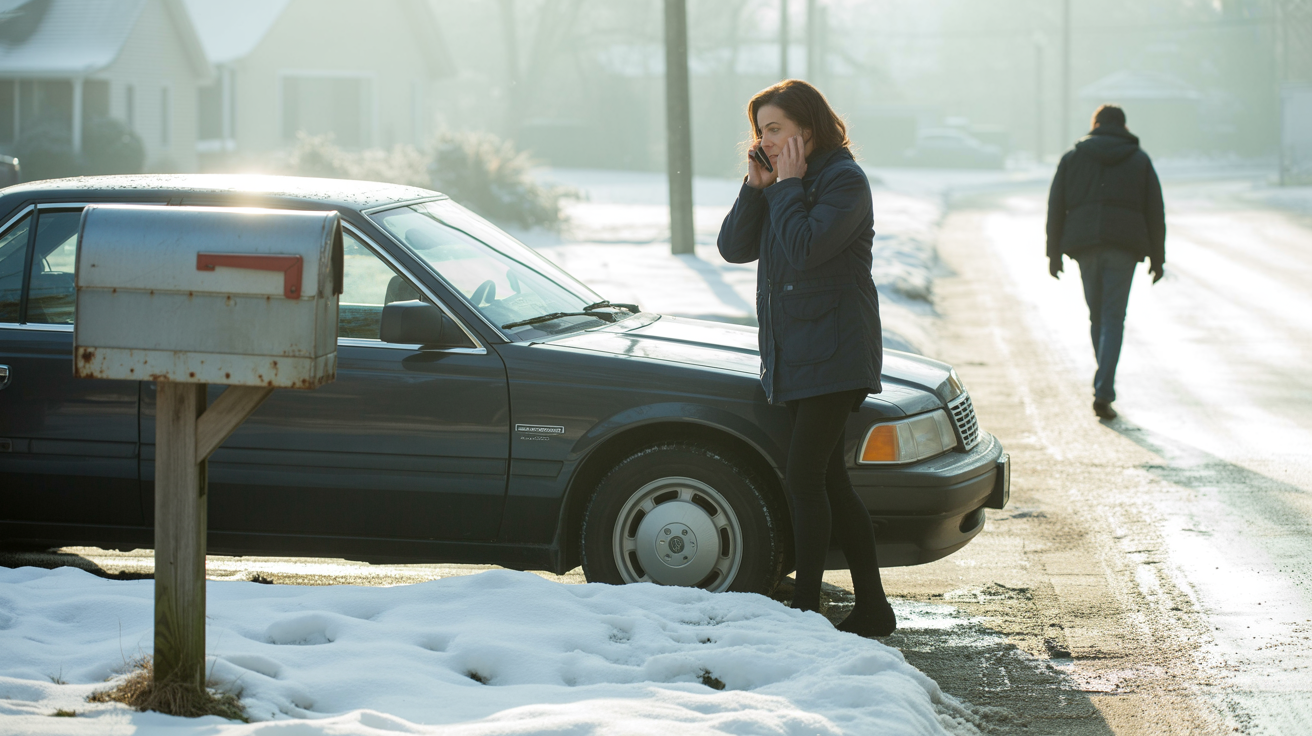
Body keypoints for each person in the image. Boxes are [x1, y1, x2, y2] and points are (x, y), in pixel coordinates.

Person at [717, 79, 894, 638]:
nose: (764, 140)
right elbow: (734, 248)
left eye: (775, 130)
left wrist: (787, 187)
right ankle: (872, 607)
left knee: (803, 478)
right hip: (797, 354)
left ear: (807, 130)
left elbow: (806, 249)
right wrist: (756, 187)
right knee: (828, 482)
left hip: (836, 353)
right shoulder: (777, 182)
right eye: (759, 131)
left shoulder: (844, 181)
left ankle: (808, 609)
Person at [1046, 104, 1166, 421]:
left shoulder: (1073, 158)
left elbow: (1055, 206)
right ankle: (1103, 390)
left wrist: (1053, 253)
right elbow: (1155, 211)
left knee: (1096, 317)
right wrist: (1158, 257)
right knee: (1113, 319)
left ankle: (1103, 385)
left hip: (1085, 245)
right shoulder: (1139, 161)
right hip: (1124, 247)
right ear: (1124, 127)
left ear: (1095, 124)